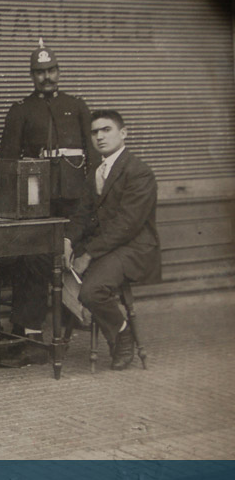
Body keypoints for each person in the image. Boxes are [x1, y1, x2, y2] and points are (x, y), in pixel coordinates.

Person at [0, 39, 98, 366]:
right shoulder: (20, 111)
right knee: (31, 260)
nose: (47, 77)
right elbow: (9, 165)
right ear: (31, 75)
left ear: (59, 71)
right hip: (37, 205)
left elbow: (94, 161)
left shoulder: (77, 106)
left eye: (51, 70)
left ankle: (63, 320)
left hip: (76, 206)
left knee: (60, 259)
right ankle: (28, 335)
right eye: (40, 72)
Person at [64, 110, 160, 369]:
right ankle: (76, 323)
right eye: (95, 132)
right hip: (107, 247)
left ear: (123, 133)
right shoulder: (97, 170)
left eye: (106, 130)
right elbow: (81, 215)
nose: (99, 136)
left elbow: (127, 225)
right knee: (55, 270)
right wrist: (68, 241)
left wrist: (88, 254)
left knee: (92, 291)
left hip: (133, 247)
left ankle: (121, 332)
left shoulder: (139, 171)